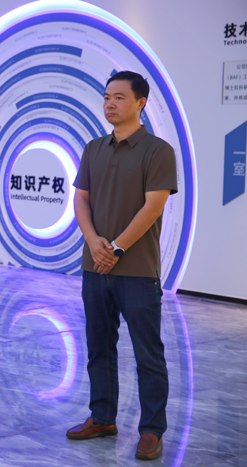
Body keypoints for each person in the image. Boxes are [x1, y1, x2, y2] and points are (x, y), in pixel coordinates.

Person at [66, 71, 177, 461]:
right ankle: (102, 417)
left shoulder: (157, 150)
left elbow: (153, 206)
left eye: (119, 97)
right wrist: (93, 241)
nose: (110, 104)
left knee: (148, 354)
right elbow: (81, 199)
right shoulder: (93, 148)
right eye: (106, 97)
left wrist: (115, 247)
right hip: (94, 266)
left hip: (137, 270)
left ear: (140, 103)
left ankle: (151, 430)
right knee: (98, 347)